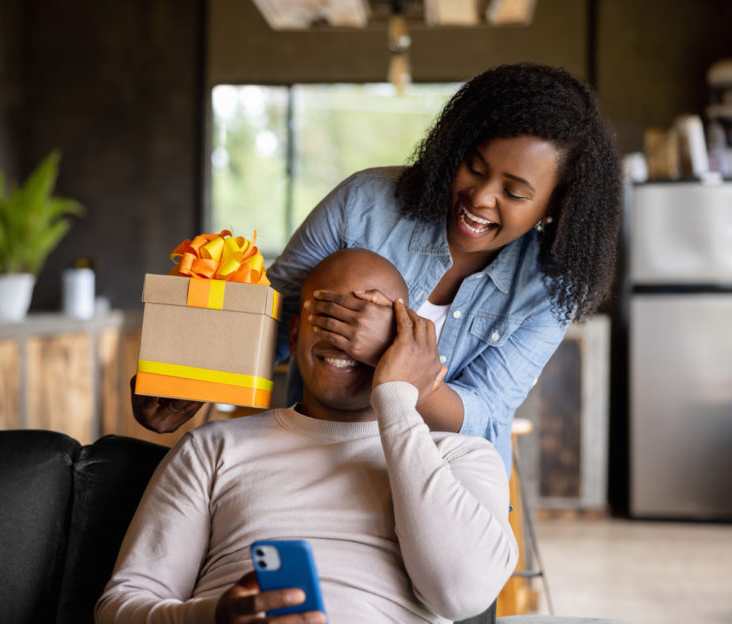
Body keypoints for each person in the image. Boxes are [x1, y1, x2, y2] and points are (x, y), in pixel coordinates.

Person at [131, 63, 622, 469]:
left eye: (514, 192)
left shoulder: (550, 288)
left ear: (556, 205)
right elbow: (275, 319)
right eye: (474, 166)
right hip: (318, 457)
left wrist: (391, 355)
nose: (480, 197)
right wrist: (183, 379)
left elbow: (486, 413)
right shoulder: (364, 206)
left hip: (443, 479)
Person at [97, 249, 517, 624]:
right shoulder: (213, 448)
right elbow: (117, 614)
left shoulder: (462, 456)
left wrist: (397, 397)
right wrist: (213, 620)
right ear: (294, 331)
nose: (344, 338)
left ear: (408, 342)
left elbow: (461, 592)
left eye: (369, 320)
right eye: (328, 314)